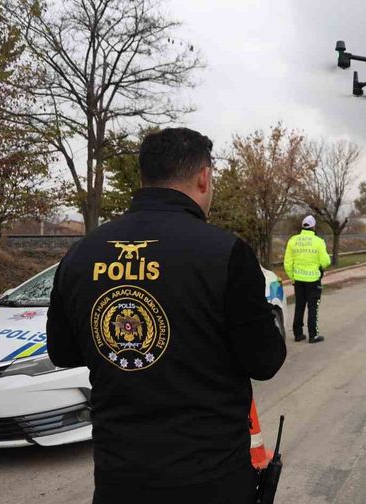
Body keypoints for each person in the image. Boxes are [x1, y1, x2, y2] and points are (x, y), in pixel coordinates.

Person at [46, 128, 287, 504]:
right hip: (212, 480)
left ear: (145, 177)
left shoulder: (81, 253)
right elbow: (265, 360)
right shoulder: (226, 254)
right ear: (203, 176)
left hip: (119, 481)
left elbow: (63, 352)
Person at [284, 215, 331, 343]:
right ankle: (313, 335)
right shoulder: (318, 241)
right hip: (313, 280)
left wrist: (292, 277)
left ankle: (298, 334)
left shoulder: (292, 241)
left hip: (298, 280)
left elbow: (287, 263)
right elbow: (326, 261)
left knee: (299, 306)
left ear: (303, 226)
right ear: (314, 227)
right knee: (313, 307)